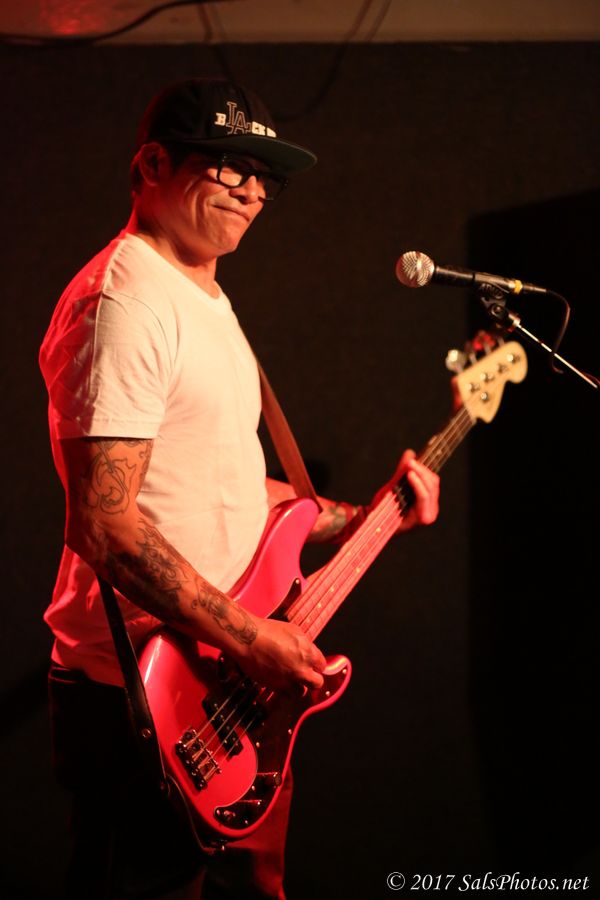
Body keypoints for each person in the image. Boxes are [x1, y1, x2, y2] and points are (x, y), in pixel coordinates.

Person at [39, 77, 440, 899]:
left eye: (265, 176)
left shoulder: (208, 300)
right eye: (228, 165)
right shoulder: (125, 302)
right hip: (143, 700)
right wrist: (254, 638)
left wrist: (367, 519)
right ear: (152, 166)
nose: (253, 190)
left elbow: (223, 483)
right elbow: (106, 526)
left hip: (229, 691)